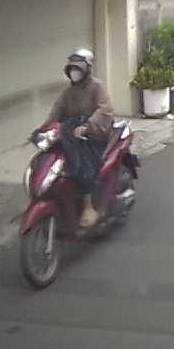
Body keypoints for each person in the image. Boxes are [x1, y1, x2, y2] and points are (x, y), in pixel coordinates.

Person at [45, 49, 113, 228]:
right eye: (72, 69)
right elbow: (57, 111)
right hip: (73, 135)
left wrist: (88, 126)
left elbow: (105, 110)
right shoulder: (68, 92)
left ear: (87, 69)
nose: (74, 73)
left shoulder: (97, 87)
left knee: (83, 163)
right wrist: (44, 128)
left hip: (94, 136)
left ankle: (89, 207)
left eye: (78, 69)